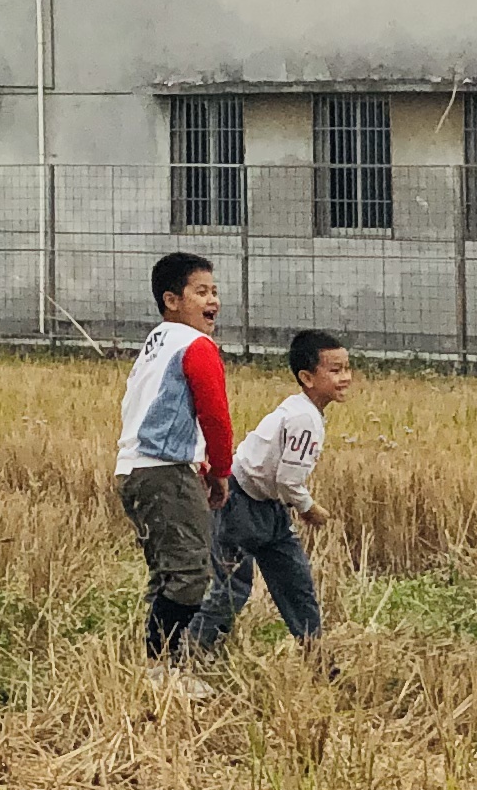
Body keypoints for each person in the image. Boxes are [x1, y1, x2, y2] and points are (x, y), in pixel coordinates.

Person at [188, 332, 349, 663]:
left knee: (294, 580)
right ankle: (189, 649)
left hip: (268, 505)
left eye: (347, 368)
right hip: (240, 504)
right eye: (334, 370)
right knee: (234, 587)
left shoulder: (301, 410)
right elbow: (289, 480)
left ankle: (316, 655)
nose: (345, 377)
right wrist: (309, 508)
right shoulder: (304, 419)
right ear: (307, 378)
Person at [114, 253, 232, 677]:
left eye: (215, 291)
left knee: (168, 572)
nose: (213, 299)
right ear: (171, 300)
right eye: (201, 291)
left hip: (133, 469)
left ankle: (160, 665)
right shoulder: (196, 346)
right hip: (164, 471)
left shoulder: (155, 344)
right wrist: (220, 470)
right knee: (190, 574)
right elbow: (215, 414)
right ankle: (164, 669)